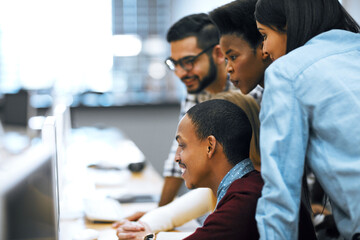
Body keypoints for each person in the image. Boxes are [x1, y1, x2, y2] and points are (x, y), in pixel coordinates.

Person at [253, 0, 360, 239]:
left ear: (289, 25)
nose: (264, 49)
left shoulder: (287, 74)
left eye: (264, 35)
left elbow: (280, 195)